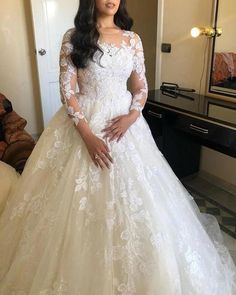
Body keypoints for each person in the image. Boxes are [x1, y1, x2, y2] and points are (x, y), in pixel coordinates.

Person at [0, 0, 236, 294]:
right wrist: (86, 135)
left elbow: (140, 87)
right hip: (82, 124)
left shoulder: (132, 39)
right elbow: (67, 91)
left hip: (126, 127)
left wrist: (132, 117)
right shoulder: (74, 37)